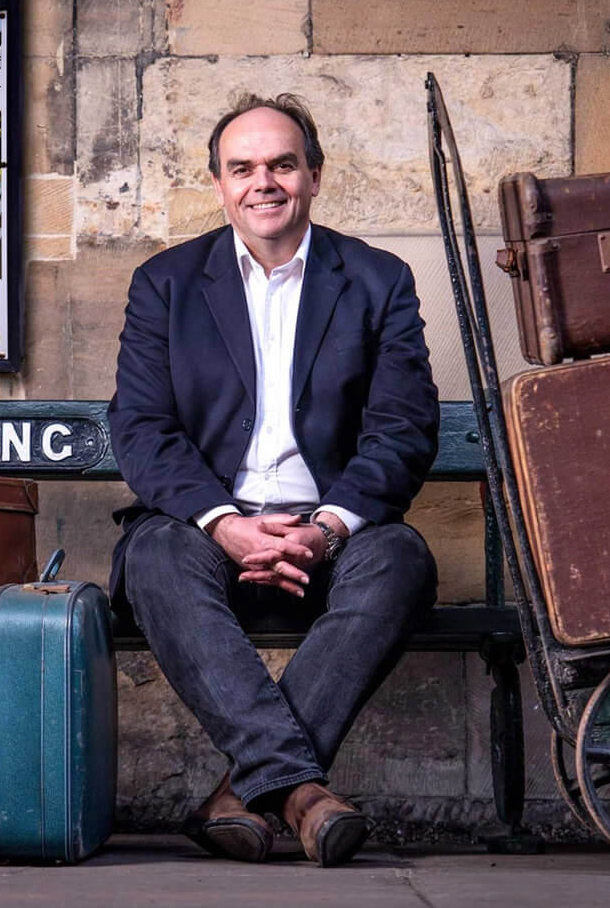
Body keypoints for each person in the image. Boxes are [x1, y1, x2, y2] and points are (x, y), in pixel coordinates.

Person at [107, 92, 439, 867]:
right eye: (243, 168)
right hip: (210, 537)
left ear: (315, 177)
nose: (265, 182)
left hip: (328, 538)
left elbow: (403, 430)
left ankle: (241, 795)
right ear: (220, 185)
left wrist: (325, 530)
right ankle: (302, 795)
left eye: (283, 164)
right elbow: (143, 430)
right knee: (153, 555)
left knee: (403, 560)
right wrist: (225, 523)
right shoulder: (167, 282)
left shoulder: (377, 279)